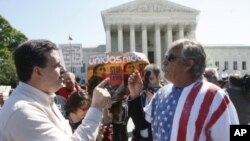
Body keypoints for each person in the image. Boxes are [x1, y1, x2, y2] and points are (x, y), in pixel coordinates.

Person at [128, 39, 239, 141]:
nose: (164, 62)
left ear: (188, 64)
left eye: (170, 58)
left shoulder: (215, 96)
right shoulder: (162, 93)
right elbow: (142, 124)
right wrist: (135, 95)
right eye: (164, 58)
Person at [0, 39, 112, 141]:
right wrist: (96, 107)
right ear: (38, 71)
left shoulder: (45, 98)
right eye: (57, 65)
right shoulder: (22, 112)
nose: (63, 69)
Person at [128, 64, 162, 141]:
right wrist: (134, 95)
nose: (148, 82)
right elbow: (138, 122)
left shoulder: (165, 94)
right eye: (146, 79)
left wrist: (155, 105)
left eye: (151, 78)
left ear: (159, 77)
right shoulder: (142, 93)